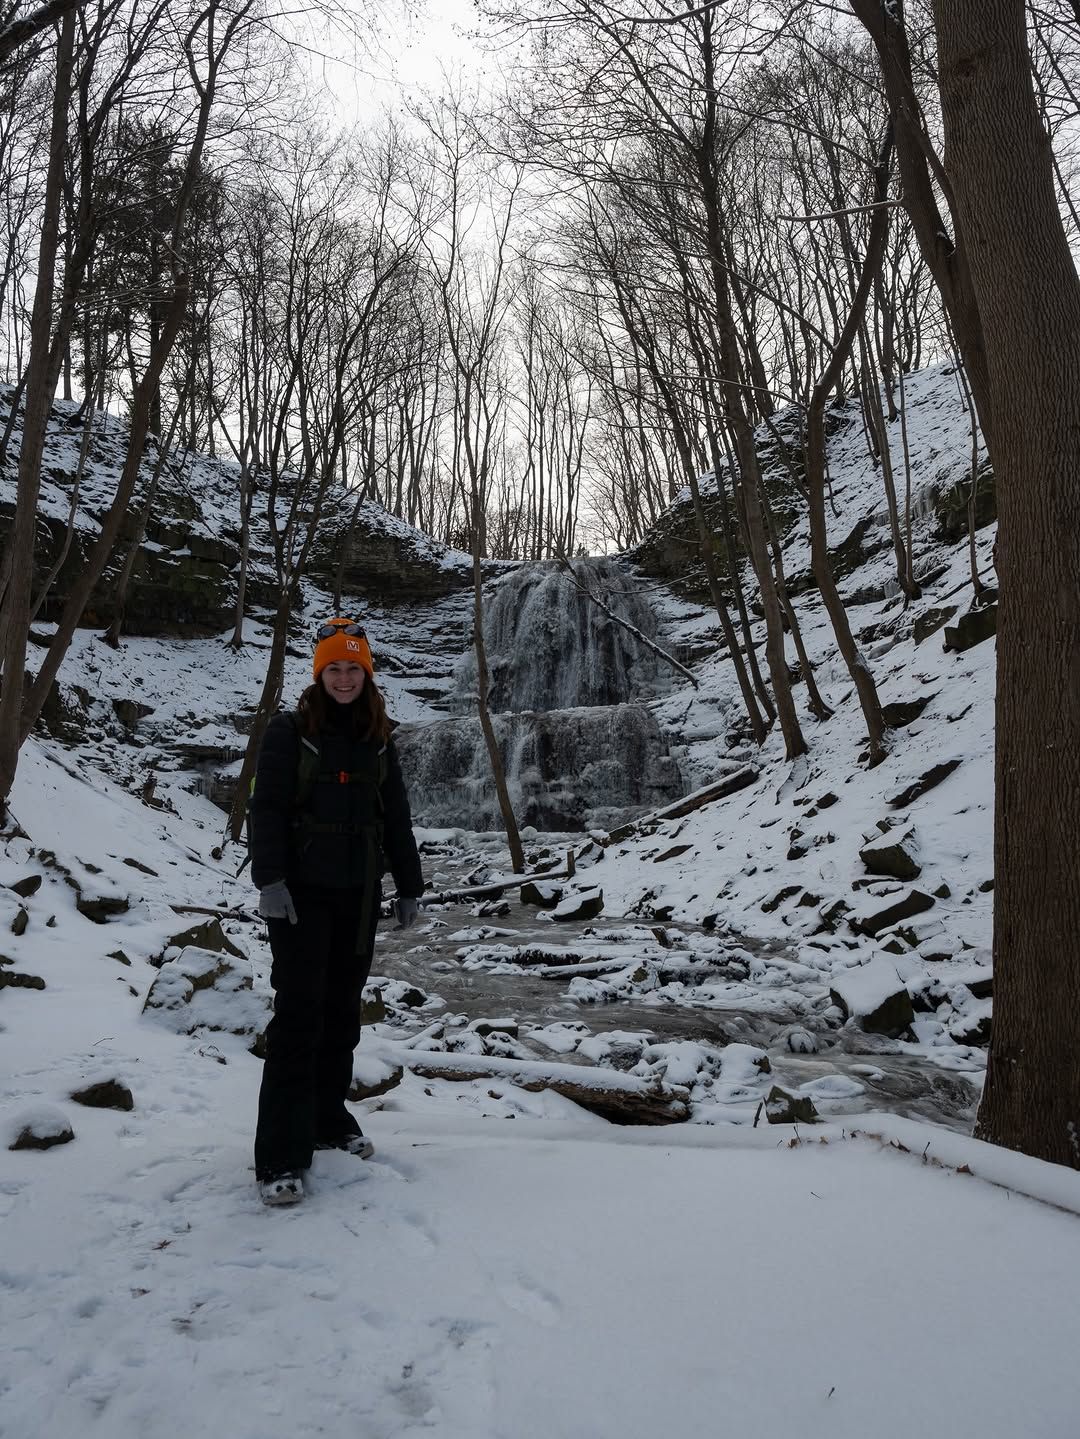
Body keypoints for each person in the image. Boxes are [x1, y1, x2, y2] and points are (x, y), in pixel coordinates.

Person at [248, 617, 424, 1206]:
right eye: (334, 668)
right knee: (299, 1017)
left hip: (358, 895)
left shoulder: (380, 737)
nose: (344, 677)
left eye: (353, 668)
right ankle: (279, 1153)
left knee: (343, 1013)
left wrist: (410, 886)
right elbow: (266, 808)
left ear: (366, 674)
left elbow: (394, 817)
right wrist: (269, 880)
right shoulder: (290, 731)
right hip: (299, 896)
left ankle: (327, 1116)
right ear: (319, 673)